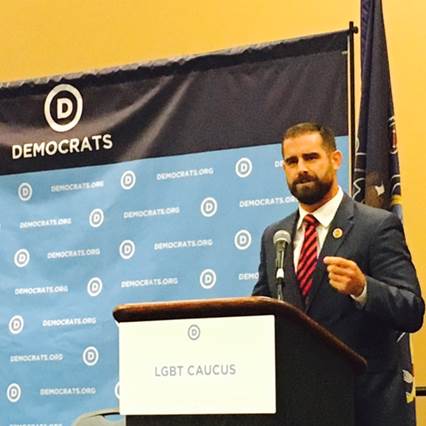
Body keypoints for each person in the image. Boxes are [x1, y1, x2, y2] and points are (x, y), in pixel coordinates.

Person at [252, 122, 424, 426]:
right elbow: (262, 310)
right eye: (292, 161)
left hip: (365, 408)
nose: (301, 168)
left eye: (311, 157)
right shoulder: (274, 236)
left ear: (335, 159)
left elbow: (412, 310)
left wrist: (363, 288)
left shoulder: (376, 227)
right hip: (298, 406)